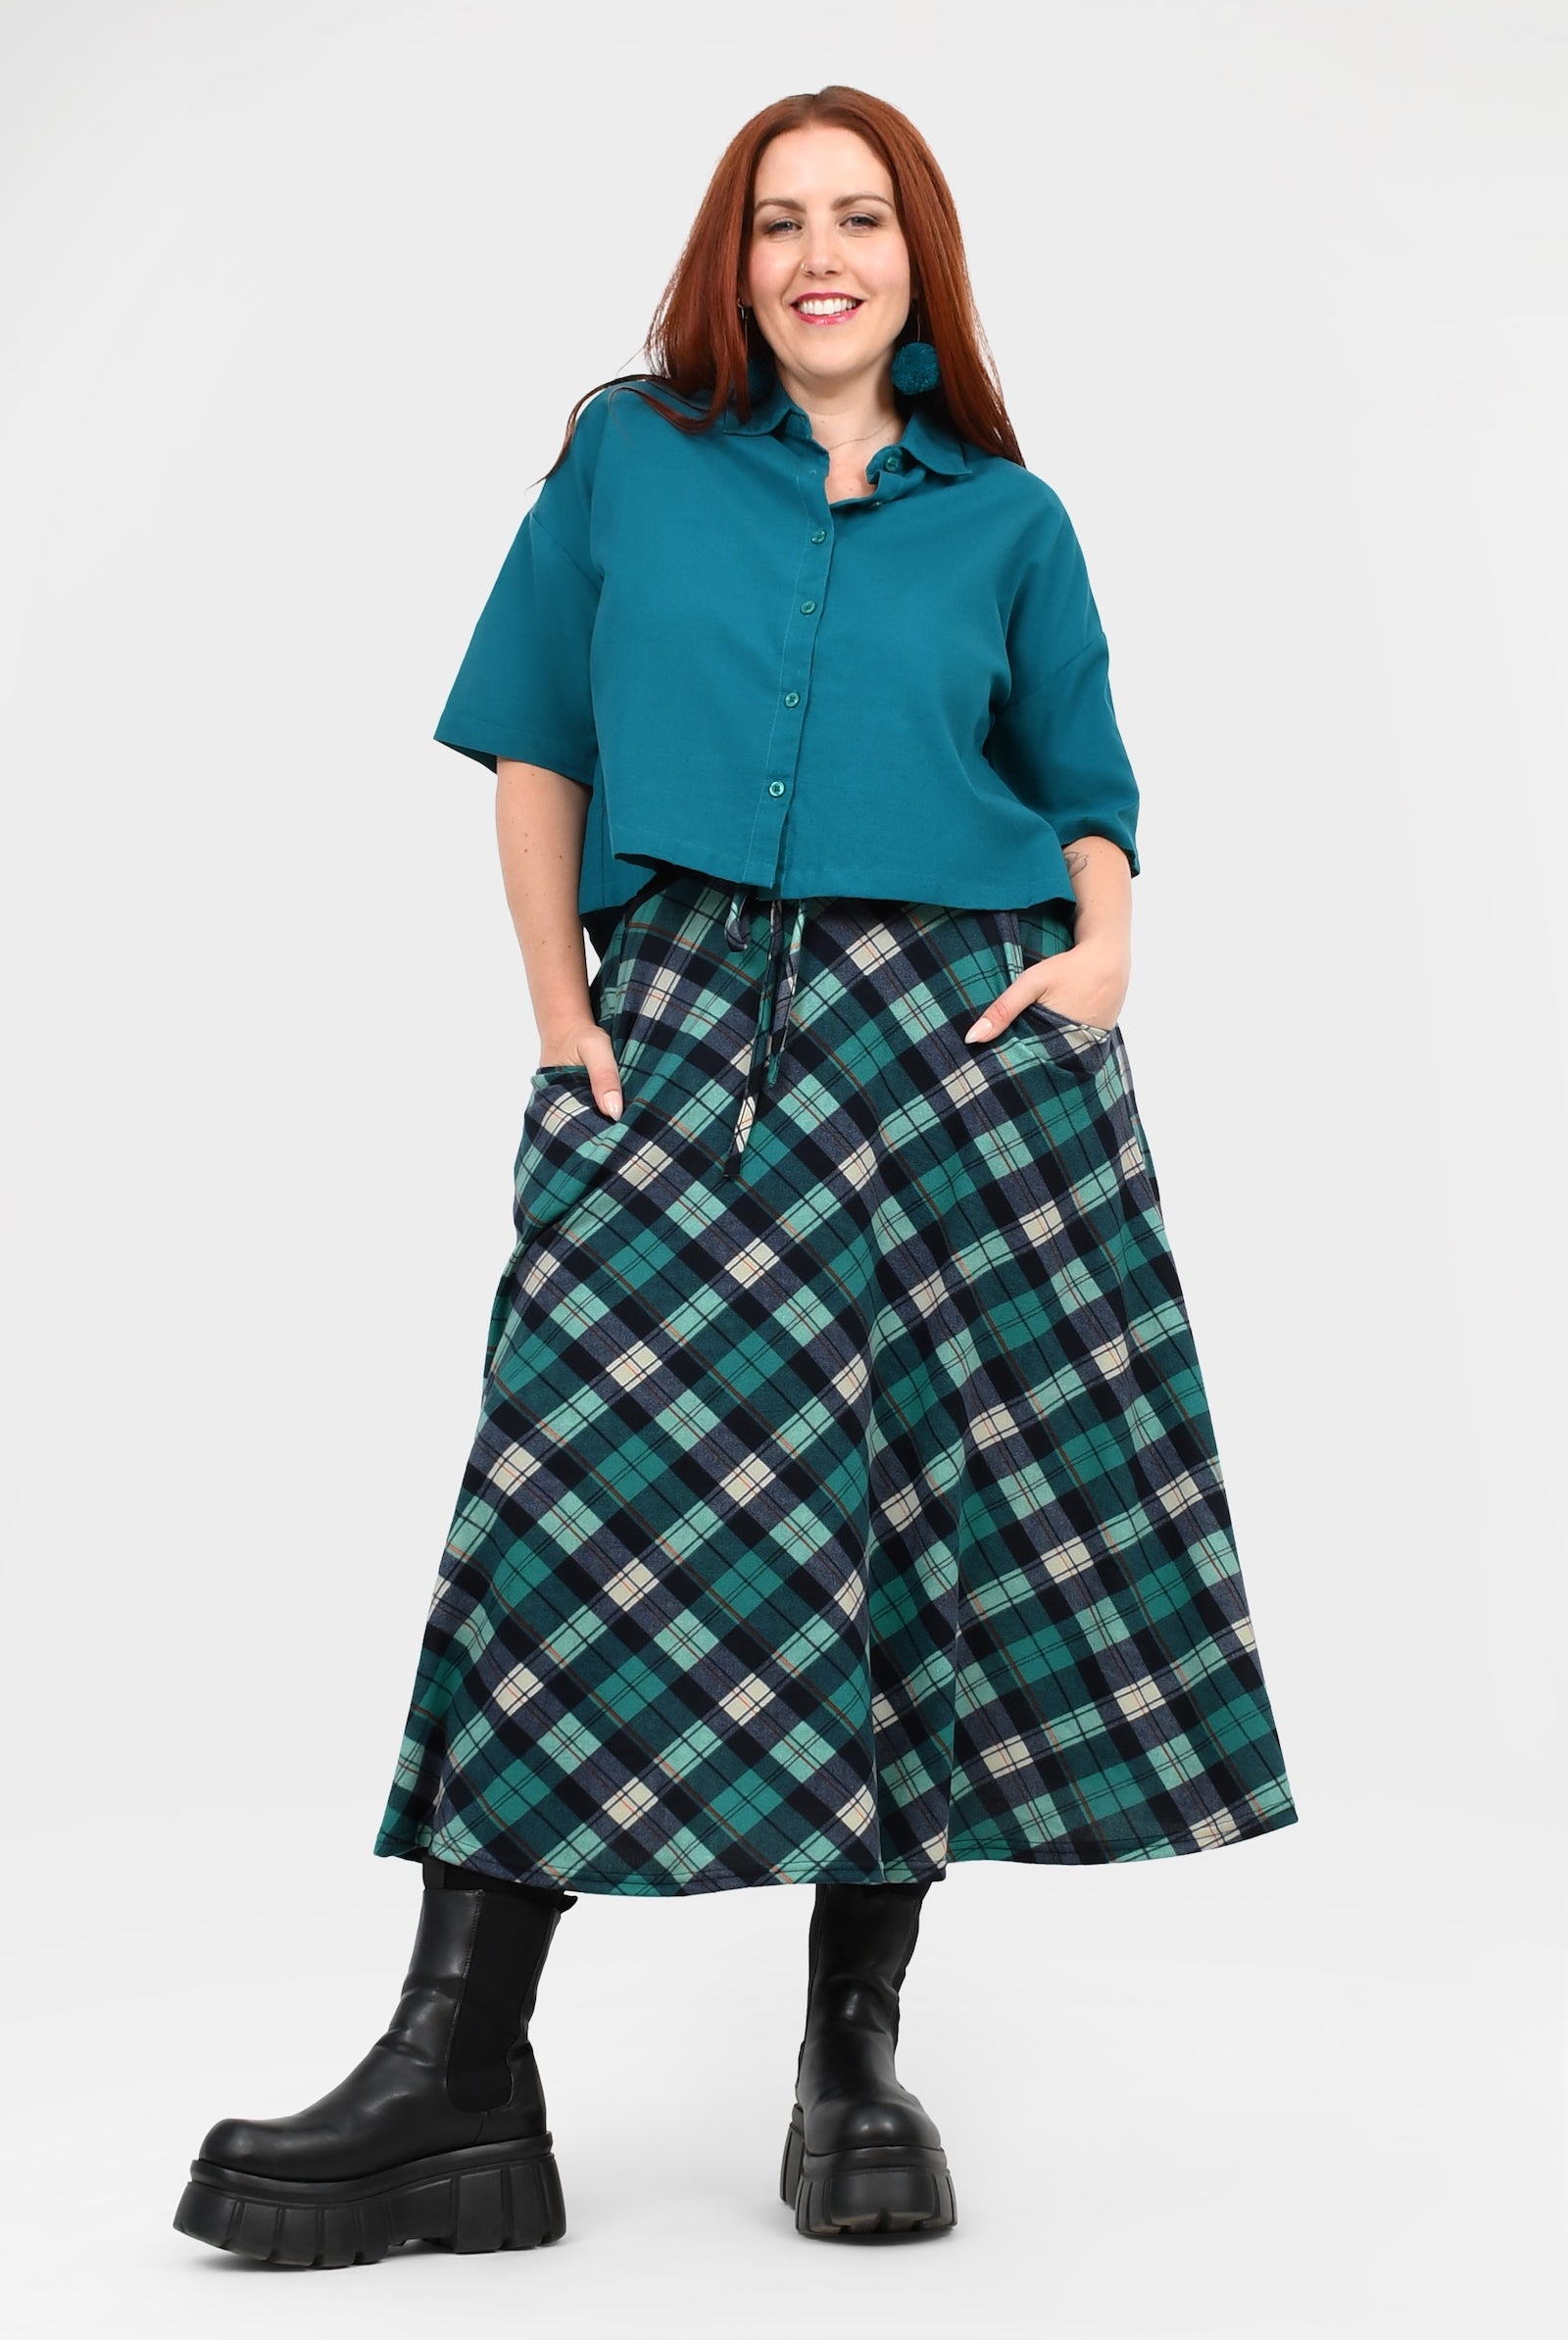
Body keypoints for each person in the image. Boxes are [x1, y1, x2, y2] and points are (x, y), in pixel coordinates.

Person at [172, 84, 1299, 2268]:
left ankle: (850, 2058)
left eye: (859, 219)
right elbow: (534, 735)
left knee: (909, 1526)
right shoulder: (629, 456)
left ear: (916, 255)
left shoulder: (1010, 519)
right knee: (563, 1508)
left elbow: (1087, 788)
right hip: (681, 1013)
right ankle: (457, 2068)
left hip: (959, 1048)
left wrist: (1103, 950)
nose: (819, 256)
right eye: (780, 221)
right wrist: (558, 1010)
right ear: (732, 257)